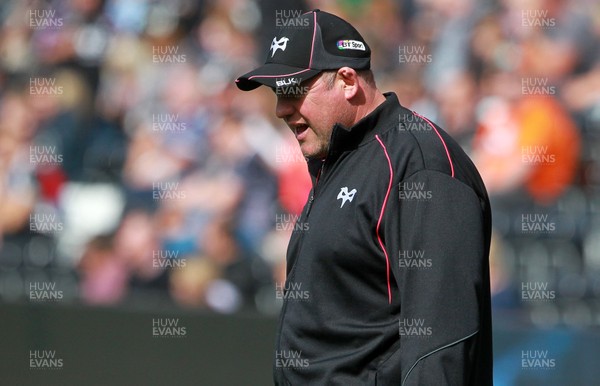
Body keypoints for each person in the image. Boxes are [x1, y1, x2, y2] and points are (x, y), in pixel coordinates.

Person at [236, 9, 493, 386]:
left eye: (292, 89)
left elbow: (441, 342)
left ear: (347, 80)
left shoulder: (420, 163)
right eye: (276, 93)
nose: (280, 109)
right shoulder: (340, 159)